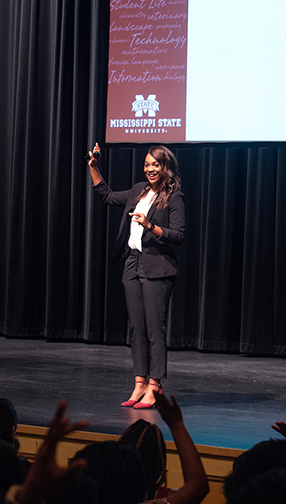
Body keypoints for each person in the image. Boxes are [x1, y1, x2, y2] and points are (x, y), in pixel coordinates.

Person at [89, 143, 186, 409]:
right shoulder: (138, 190)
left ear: (166, 167)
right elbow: (107, 196)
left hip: (158, 267)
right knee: (136, 329)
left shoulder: (174, 197)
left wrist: (150, 225)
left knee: (155, 329)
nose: (150, 169)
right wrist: (94, 167)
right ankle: (139, 382)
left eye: (155, 164)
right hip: (132, 263)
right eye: (147, 164)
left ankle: (155, 385)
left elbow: (178, 235)